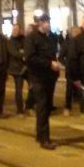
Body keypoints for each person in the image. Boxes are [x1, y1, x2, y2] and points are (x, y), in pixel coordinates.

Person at [25, 14, 60, 150]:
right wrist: (49, 64)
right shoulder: (31, 38)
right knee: (43, 106)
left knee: (46, 107)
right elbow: (30, 58)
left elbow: (52, 54)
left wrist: (55, 66)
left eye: (48, 22)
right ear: (39, 23)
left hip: (49, 77)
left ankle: (40, 134)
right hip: (38, 77)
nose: (48, 24)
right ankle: (45, 138)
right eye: (45, 22)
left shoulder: (49, 38)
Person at [7, 24, 34, 116]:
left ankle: (28, 105)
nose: (16, 31)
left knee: (33, 86)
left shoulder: (23, 39)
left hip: (26, 68)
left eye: (17, 29)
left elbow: (29, 50)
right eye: (14, 29)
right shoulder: (9, 41)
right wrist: (22, 53)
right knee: (19, 90)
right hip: (16, 69)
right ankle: (19, 110)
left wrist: (23, 52)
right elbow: (15, 54)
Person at [61, 26, 84, 116]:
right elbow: (60, 56)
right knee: (69, 90)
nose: (77, 33)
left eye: (78, 31)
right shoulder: (67, 43)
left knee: (81, 90)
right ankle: (67, 107)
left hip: (81, 70)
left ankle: (83, 109)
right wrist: (66, 64)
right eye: (75, 31)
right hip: (70, 70)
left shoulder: (83, 43)